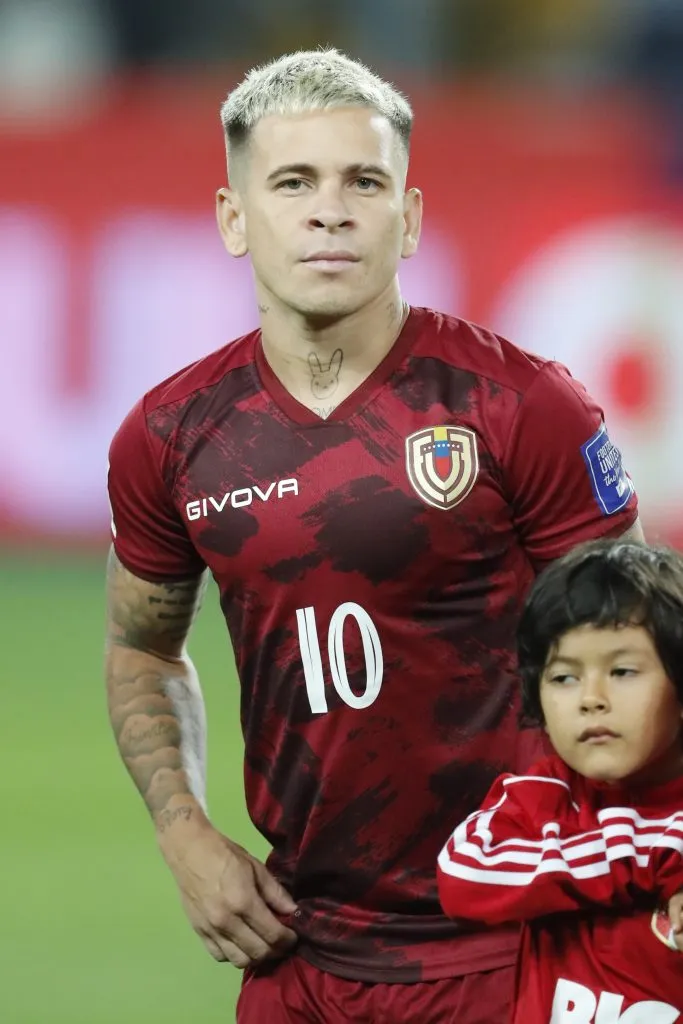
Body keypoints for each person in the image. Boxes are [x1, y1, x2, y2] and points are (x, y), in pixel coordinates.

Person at [105, 48, 644, 1024]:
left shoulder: (517, 406)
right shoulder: (171, 436)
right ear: (235, 218)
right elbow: (141, 643)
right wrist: (182, 830)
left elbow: (638, 651)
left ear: (411, 217)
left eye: (364, 181)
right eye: (292, 182)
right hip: (298, 953)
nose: (329, 209)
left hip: (515, 943)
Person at [438, 540, 683, 1023]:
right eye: (564, 678)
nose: (591, 698)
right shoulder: (542, 796)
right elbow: (465, 873)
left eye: (622, 671)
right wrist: (647, 855)